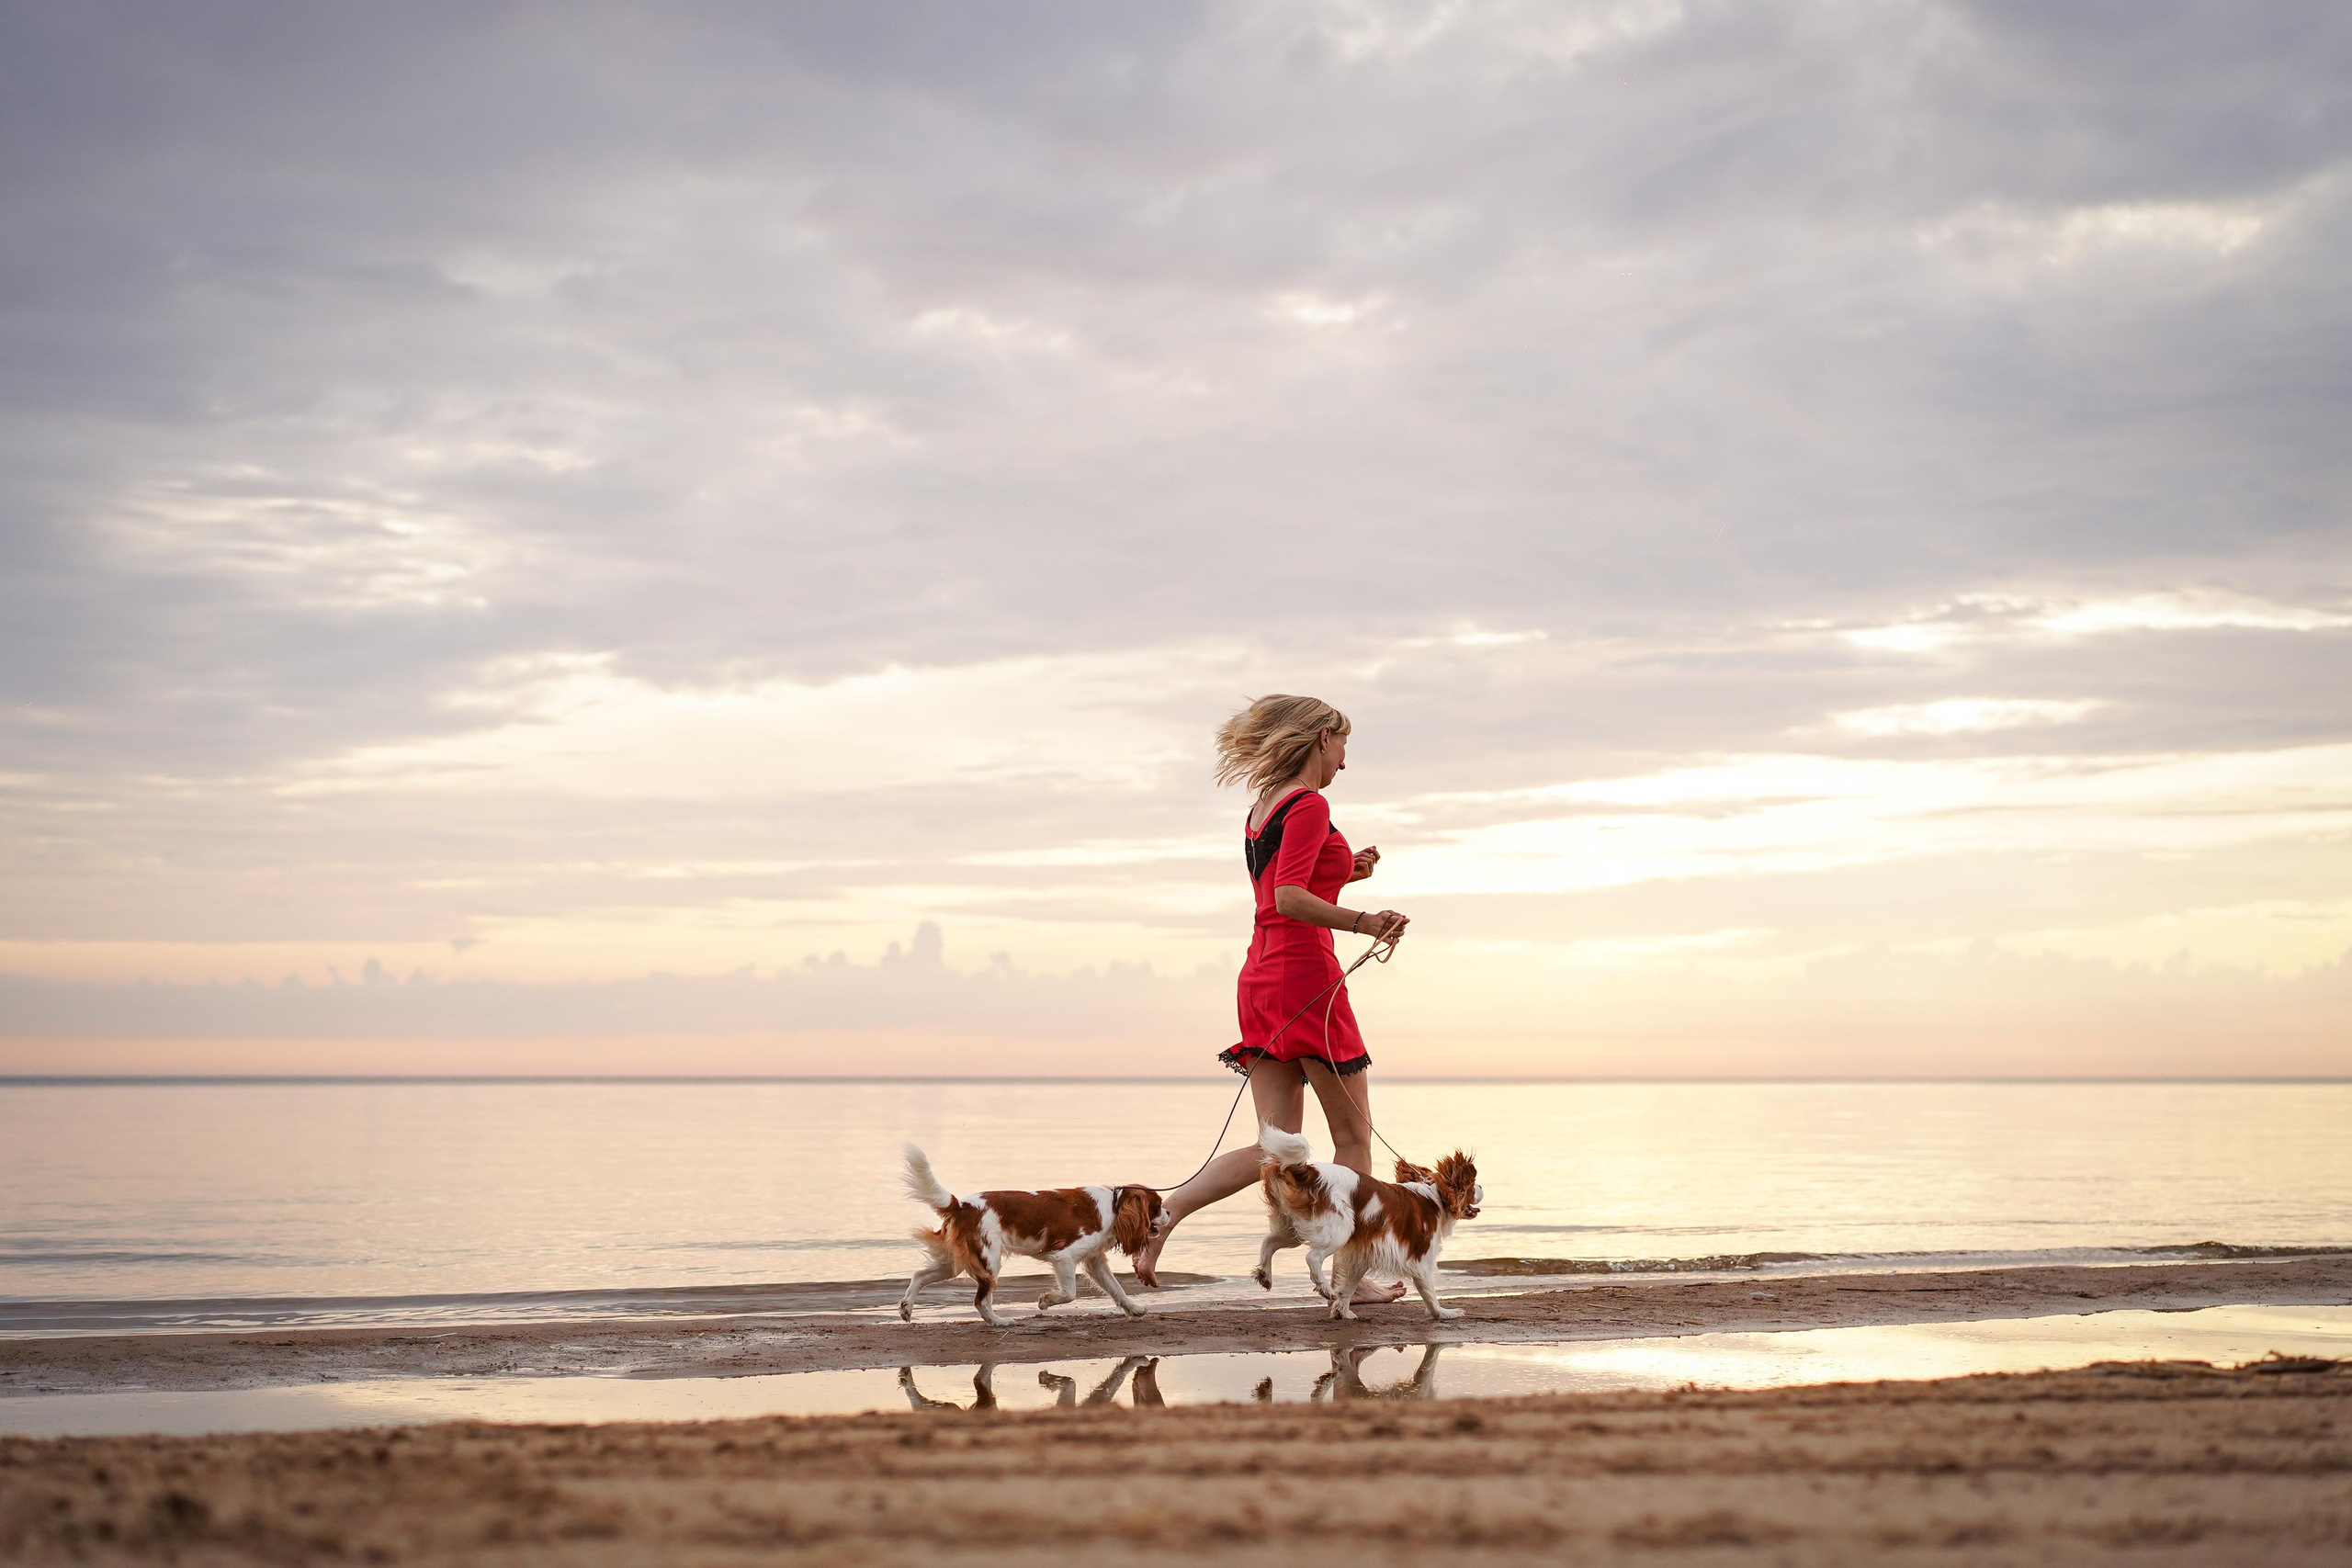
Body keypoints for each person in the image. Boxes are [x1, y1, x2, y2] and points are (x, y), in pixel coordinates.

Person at [1132, 694, 1410, 1303]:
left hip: (1261, 976)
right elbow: (1287, 899)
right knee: (1353, 1140)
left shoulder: (1265, 807)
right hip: (1306, 975)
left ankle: (1162, 1216)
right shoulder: (1311, 803)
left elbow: (1284, 885)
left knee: (1273, 1145)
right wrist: (1367, 919)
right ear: (1319, 739)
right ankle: (1349, 1279)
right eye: (1342, 745)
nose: (1344, 760)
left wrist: (1347, 872)